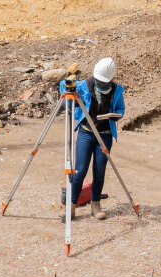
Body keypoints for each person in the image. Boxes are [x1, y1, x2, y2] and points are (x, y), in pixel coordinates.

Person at [59, 58, 125, 220]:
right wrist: (70, 89)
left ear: (112, 79)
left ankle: (95, 205)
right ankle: (71, 206)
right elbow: (63, 85)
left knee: (99, 171)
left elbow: (120, 108)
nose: (100, 83)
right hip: (86, 133)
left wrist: (117, 115)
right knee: (79, 170)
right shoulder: (85, 85)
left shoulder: (117, 91)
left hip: (105, 135)